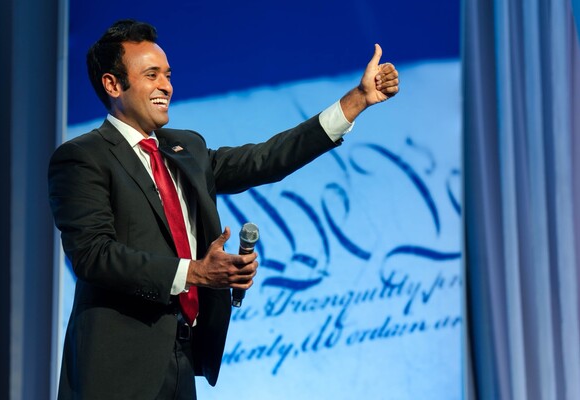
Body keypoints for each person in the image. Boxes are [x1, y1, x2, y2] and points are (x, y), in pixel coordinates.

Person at [49, 19, 399, 400]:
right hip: (116, 372)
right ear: (113, 85)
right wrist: (195, 272)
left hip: (182, 360)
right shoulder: (83, 157)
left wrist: (356, 101)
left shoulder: (186, 150)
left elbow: (266, 160)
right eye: (151, 75)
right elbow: (93, 256)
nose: (166, 86)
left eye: (168, 75)